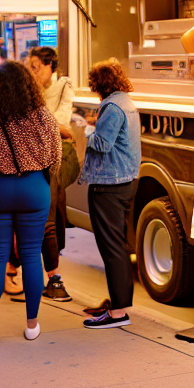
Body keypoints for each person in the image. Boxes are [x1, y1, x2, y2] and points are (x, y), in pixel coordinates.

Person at [0, 61, 61, 342]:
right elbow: (55, 156)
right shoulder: (43, 116)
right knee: (31, 256)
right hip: (34, 189)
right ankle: (32, 326)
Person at [80, 58, 141, 330]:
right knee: (118, 246)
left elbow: (102, 143)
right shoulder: (126, 102)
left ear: (99, 84)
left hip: (109, 184)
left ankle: (118, 313)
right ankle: (118, 302)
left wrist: (83, 128)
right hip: (126, 180)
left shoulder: (113, 106)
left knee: (112, 248)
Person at [26, 46, 76, 302]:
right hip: (31, 160)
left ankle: (54, 278)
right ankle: (19, 273)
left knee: (48, 219)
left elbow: (61, 123)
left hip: (53, 161)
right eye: (29, 67)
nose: (32, 72)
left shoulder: (64, 86)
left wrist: (50, 126)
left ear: (51, 66)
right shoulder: (29, 89)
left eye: (36, 67)